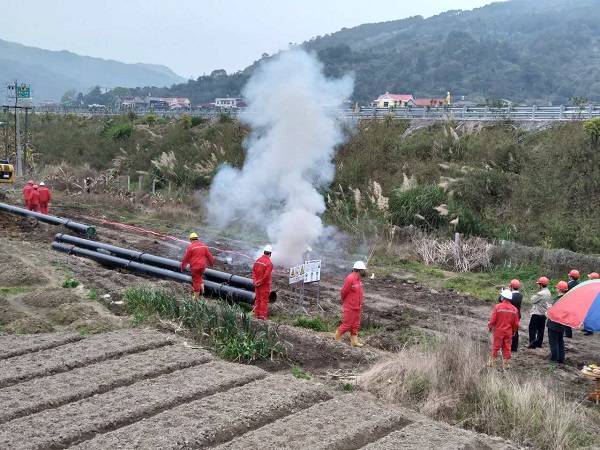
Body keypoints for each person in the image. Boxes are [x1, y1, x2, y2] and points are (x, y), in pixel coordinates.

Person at [335, 261, 366, 347]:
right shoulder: (350, 278)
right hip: (350, 306)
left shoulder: (358, 279)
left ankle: (354, 342)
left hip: (357, 306)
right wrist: (345, 301)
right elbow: (343, 291)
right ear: (360, 270)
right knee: (347, 324)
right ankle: (336, 338)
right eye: (364, 270)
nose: (365, 272)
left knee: (356, 324)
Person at [487, 289, 519, 370]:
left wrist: (490, 327)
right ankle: (506, 364)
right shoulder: (515, 309)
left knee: (496, 347)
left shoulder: (497, 307)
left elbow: (492, 320)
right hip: (508, 332)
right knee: (507, 347)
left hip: (498, 331)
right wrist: (514, 331)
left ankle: (492, 363)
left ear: (503, 297)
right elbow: (516, 324)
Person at [180, 232, 215, 299]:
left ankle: (196, 298)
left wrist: (182, 267)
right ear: (197, 238)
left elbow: (185, 258)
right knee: (199, 277)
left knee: (195, 281)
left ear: (190, 239)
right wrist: (212, 264)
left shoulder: (190, 247)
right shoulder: (204, 246)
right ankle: (203, 292)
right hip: (202, 267)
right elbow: (210, 256)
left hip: (195, 267)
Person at [547, 281, 568, 364]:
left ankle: (554, 359)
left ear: (559, 289)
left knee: (553, 342)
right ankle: (561, 359)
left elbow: (554, 312)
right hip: (562, 323)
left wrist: (549, 308)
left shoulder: (558, 300)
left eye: (557, 287)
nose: (556, 288)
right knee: (560, 341)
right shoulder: (567, 298)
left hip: (554, 323)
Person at [527, 277, 551, 349]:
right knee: (541, 330)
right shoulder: (548, 292)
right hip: (543, 314)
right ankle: (539, 344)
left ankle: (532, 344)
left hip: (537, 314)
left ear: (541, 284)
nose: (537, 285)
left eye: (538, 284)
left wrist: (534, 295)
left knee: (532, 329)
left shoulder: (541, 293)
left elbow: (532, 300)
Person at [252, 245, 273, 320]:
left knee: (257, 299)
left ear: (264, 252)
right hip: (264, 285)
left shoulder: (258, 260)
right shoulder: (269, 263)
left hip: (257, 284)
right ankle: (262, 316)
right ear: (270, 254)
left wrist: (255, 281)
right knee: (264, 300)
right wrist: (260, 282)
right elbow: (266, 275)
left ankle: (256, 315)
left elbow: (253, 271)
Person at [508, 279, 523, 352]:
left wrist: (506, 292)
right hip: (517, 315)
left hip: (510, 315)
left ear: (511, 286)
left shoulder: (510, 295)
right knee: (515, 331)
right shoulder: (520, 295)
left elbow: (500, 300)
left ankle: (509, 346)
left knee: (508, 330)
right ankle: (514, 347)